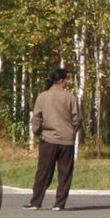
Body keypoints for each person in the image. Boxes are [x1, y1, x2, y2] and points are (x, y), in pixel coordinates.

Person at [29, 64, 83, 209]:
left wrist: (37, 132)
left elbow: (36, 118)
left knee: (43, 172)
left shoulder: (42, 97)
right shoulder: (70, 98)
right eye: (66, 80)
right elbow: (77, 119)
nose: (67, 83)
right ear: (61, 80)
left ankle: (35, 202)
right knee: (65, 173)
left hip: (48, 139)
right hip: (67, 140)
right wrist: (72, 131)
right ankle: (59, 204)